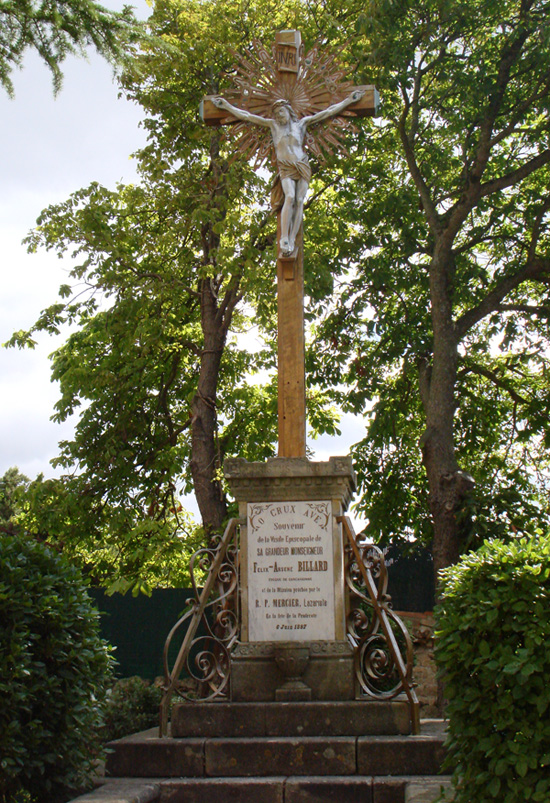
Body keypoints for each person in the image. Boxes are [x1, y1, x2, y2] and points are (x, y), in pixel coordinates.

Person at [212, 89, 365, 255]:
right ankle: (284, 237)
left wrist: (349, 100)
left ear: (288, 111)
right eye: (276, 113)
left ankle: (292, 239)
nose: (279, 116)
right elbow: (247, 116)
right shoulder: (273, 126)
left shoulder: (302, 124)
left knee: (299, 200)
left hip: (302, 165)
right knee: (290, 196)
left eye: (281, 112)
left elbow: (327, 112)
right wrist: (226, 106)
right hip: (285, 167)